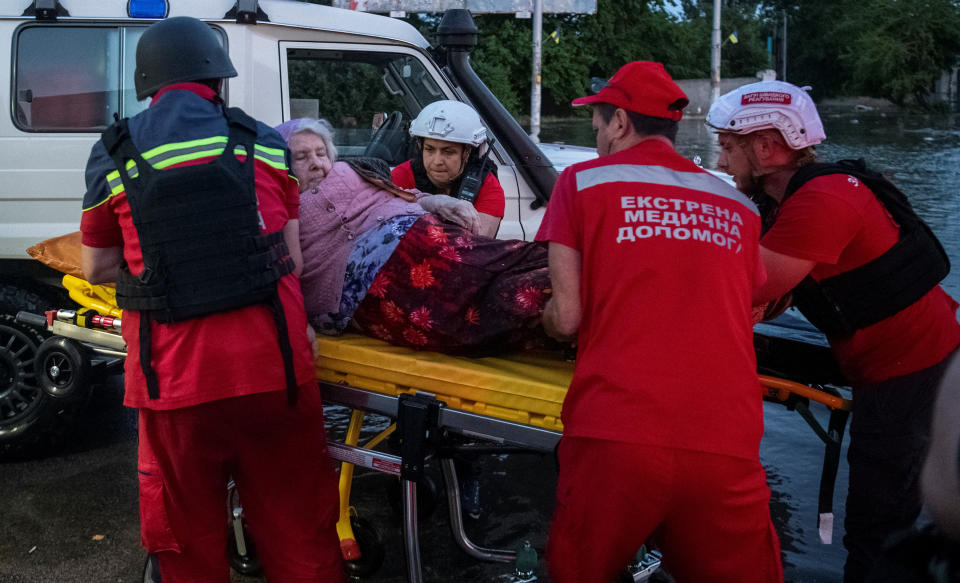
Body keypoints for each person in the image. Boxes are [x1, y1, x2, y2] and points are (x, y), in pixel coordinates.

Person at [79, 17, 343, 582]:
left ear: (146, 84)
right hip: (276, 371)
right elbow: (290, 258)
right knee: (301, 531)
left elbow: (96, 266)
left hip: (173, 380)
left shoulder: (113, 152)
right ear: (218, 81)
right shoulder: (266, 141)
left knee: (187, 538)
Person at [537, 61, 783, 583]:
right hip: (728, 439)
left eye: (598, 126)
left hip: (618, 429)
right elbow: (746, 301)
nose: (597, 137)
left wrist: (542, 320)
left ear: (621, 122)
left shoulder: (580, 182)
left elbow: (568, 316)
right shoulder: (738, 206)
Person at [707, 80, 960, 583]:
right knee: (881, 517)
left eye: (729, 146)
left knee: (877, 526)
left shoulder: (822, 199)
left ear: (766, 146)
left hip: (911, 373)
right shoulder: (794, 199)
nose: (720, 161)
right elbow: (773, 297)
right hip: (898, 364)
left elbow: (753, 287)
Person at [276, 117, 551, 353]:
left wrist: (437, 202)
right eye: (301, 157)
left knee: (499, 264)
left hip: (410, 237)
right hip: (359, 294)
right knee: (478, 318)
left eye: (321, 153)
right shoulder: (278, 204)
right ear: (281, 163)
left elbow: (402, 195)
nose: (315, 163)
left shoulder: (346, 171)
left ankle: (573, 275)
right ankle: (568, 292)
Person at [391, 100, 505, 238]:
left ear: (467, 152)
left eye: (448, 152)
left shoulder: (488, 188)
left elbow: (475, 248)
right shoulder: (402, 175)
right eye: (429, 149)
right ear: (421, 148)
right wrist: (427, 204)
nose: (437, 161)